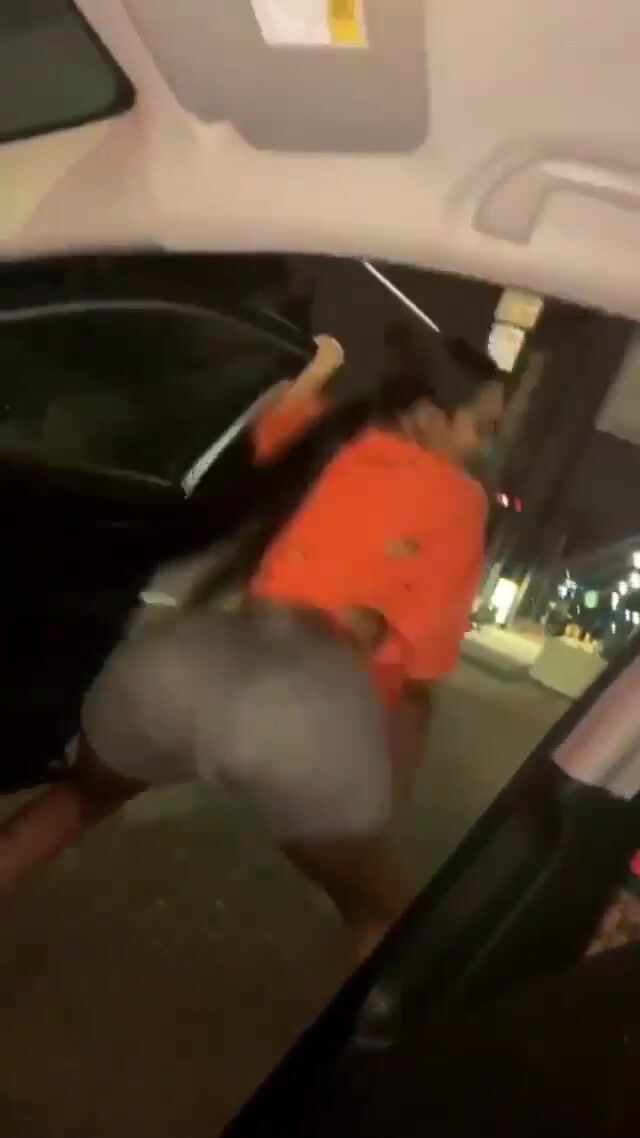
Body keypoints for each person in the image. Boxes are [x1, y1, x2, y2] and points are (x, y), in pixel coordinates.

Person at [0, 324, 504, 960]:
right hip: (301, 711)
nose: (486, 445)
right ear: (428, 415)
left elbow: (280, 416)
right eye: (481, 426)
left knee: (74, 802)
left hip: (184, 667)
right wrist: (379, 803)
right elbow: (416, 688)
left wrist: (323, 365)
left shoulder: (329, 441)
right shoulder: (458, 499)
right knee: (384, 916)